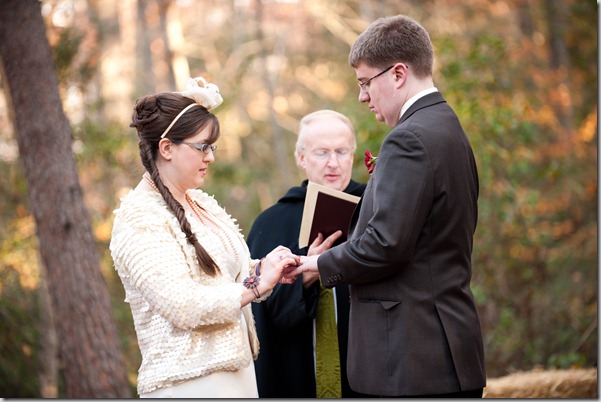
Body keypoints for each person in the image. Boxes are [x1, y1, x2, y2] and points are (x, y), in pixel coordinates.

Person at [287, 15, 487, 397]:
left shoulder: (408, 138)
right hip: (442, 353)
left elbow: (385, 245)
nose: (362, 96)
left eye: (365, 83)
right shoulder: (447, 127)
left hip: (410, 361)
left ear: (398, 74)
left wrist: (317, 264)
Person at [110, 77, 299, 398]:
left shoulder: (201, 203)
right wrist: (256, 286)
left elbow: (224, 277)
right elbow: (184, 306)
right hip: (187, 382)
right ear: (167, 148)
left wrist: (265, 268)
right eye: (202, 147)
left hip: (237, 374)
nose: (210, 157)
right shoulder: (138, 218)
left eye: (212, 147)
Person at [246, 110, 367, 398]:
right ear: (301, 158)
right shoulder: (271, 223)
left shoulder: (377, 210)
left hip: (370, 371)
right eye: (322, 153)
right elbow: (259, 314)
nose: (333, 163)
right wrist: (306, 278)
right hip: (297, 373)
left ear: (353, 155)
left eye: (341, 151)